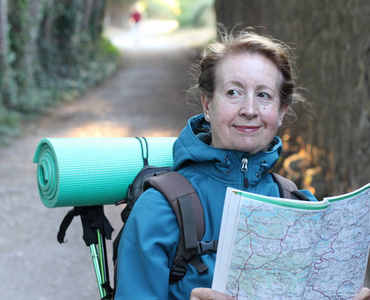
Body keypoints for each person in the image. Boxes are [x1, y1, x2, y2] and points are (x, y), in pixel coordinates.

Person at [114, 29, 369, 300]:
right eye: (233, 92)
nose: (249, 109)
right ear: (208, 105)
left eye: (263, 95)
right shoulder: (159, 209)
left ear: (281, 112)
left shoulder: (302, 208)